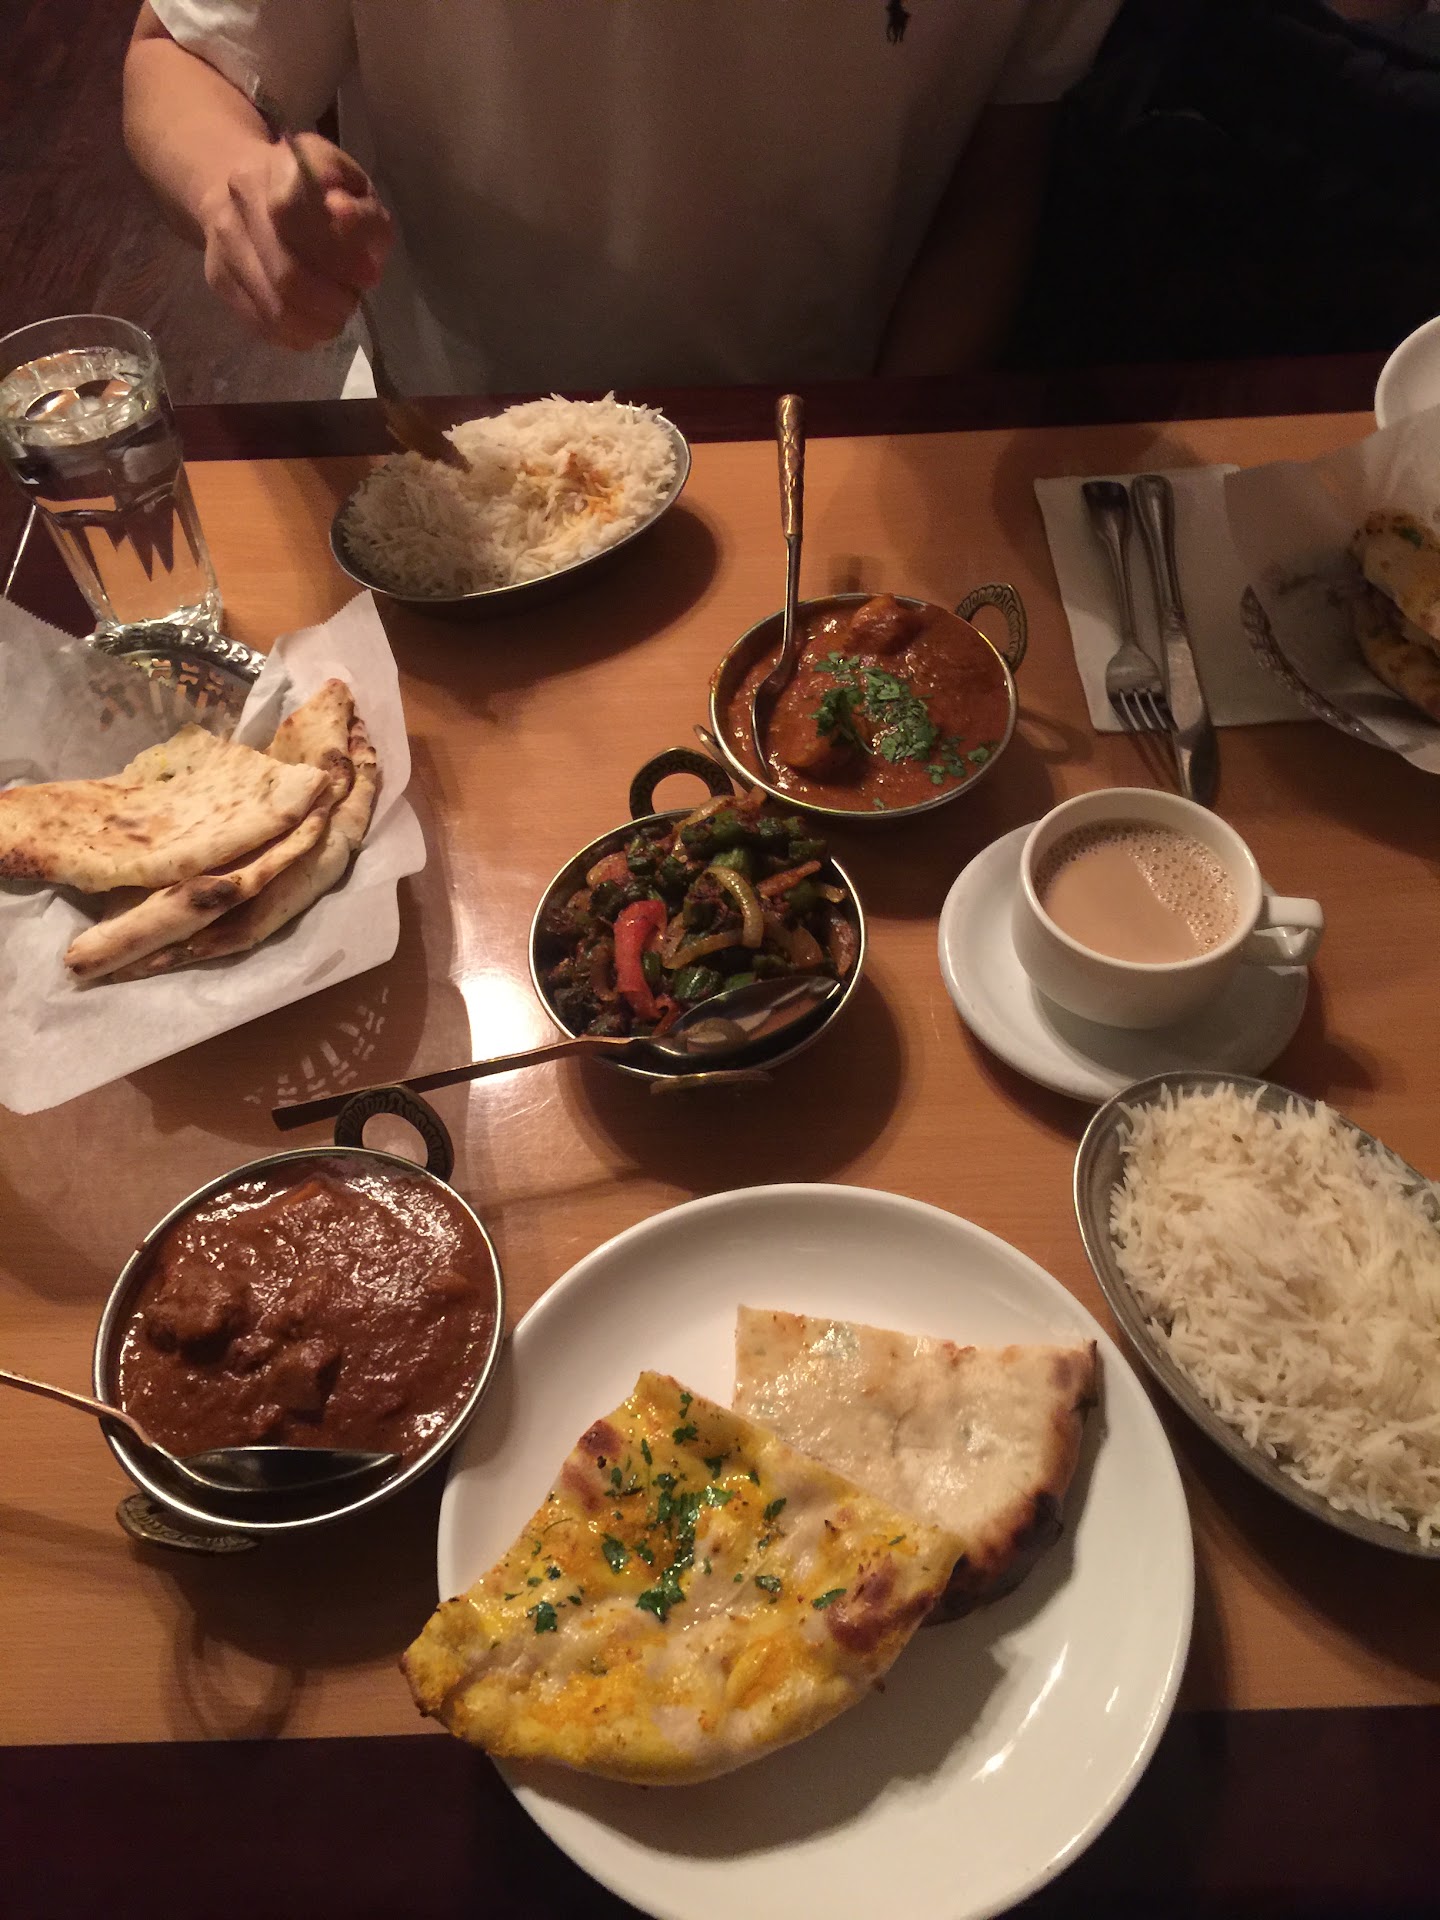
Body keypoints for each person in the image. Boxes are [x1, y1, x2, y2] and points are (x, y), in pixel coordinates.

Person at [124, 1, 1123, 395]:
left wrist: (890, 425)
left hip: (833, 430)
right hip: (469, 436)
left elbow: (1000, 156)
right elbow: (178, 56)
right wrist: (233, 186)